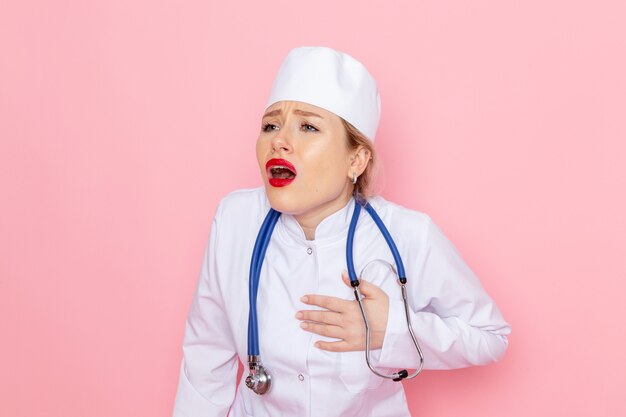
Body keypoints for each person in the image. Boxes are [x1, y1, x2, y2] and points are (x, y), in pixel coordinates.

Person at [172, 46, 510, 417]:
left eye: (308, 127)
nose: (279, 141)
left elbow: (491, 337)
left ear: (356, 159)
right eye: (271, 125)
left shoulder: (408, 234)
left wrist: (393, 330)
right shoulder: (235, 219)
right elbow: (206, 358)